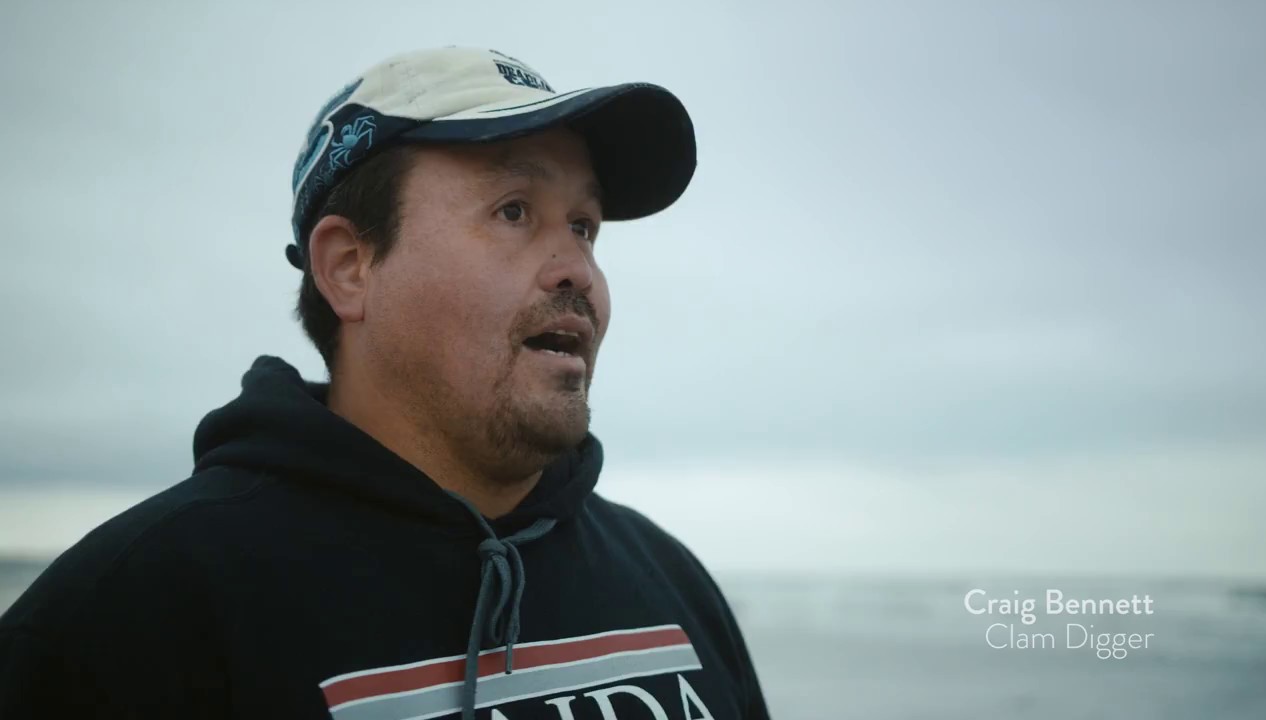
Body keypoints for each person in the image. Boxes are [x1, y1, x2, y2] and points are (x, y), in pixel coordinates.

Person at [0, 46, 770, 719]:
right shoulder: (134, 617)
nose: (579, 271)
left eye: (583, 226)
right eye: (513, 211)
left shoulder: (669, 582)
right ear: (350, 267)